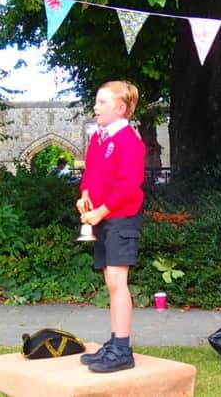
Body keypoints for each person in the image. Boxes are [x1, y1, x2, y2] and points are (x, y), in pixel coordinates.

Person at [75, 80, 145, 373]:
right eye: (96, 101)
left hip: (120, 219)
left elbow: (129, 187)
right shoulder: (98, 139)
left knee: (118, 282)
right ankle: (115, 343)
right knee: (110, 282)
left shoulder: (130, 141)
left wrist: (101, 212)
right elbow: (91, 174)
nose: (95, 106)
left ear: (121, 108)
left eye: (102, 102)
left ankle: (122, 349)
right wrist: (84, 197)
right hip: (104, 218)